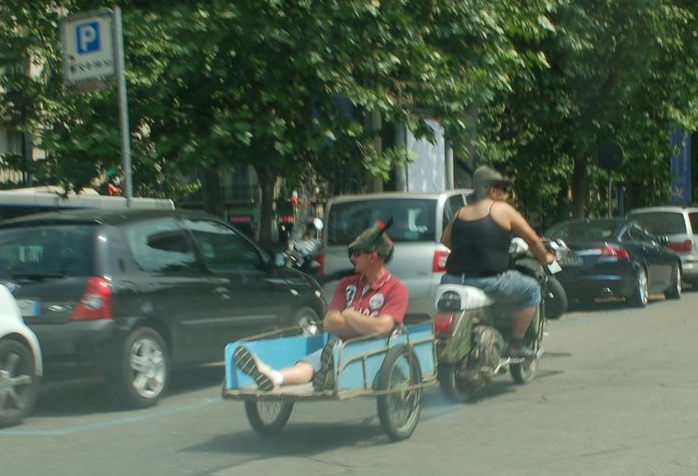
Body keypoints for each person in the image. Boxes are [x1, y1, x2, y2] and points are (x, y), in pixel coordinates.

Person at [234, 220, 408, 392]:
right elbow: (330, 323)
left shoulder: (396, 290)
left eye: (356, 252)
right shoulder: (347, 284)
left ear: (373, 256)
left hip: (373, 352)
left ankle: (330, 374)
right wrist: (364, 326)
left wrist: (349, 314)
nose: (352, 258)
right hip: (339, 348)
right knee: (310, 363)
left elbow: (382, 327)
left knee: (333, 352)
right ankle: (274, 376)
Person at [440, 165, 555, 357]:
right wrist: (545, 257)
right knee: (532, 290)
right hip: (488, 280)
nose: (507, 196)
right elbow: (533, 240)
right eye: (504, 190)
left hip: (451, 279)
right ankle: (516, 345)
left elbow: (445, 242)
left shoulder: (460, 212)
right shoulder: (502, 209)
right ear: (492, 190)